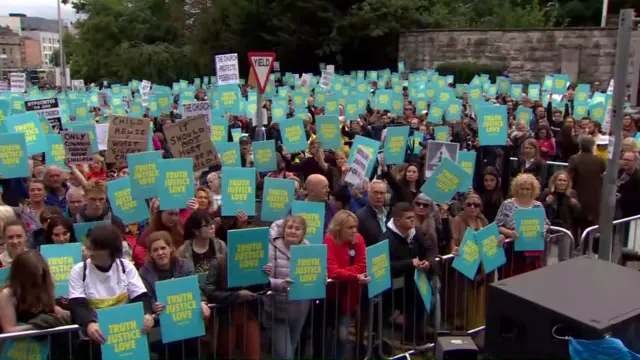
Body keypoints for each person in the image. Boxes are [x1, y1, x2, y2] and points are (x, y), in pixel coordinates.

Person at [68, 224, 154, 360]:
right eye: (88, 248)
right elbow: (77, 303)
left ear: (108, 251)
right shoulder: (79, 270)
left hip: (124, 337)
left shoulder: (126, 267)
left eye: (93, 249)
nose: (88, 253)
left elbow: (141, 296)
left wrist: (147, 314)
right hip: (94, 340)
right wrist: (89, 323)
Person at [139, 231, 209, 360]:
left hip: (186, 323)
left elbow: (195, 288)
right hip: (161, 328)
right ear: (150, 254)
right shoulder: (144, 272)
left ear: (171, 248)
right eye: (155, 250)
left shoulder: (185, 265)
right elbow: (145, 298)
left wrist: (202, 302)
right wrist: (154, 306)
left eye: (163, 248)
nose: (160, 253)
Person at [385, 202, 436, 344]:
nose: (413, 220)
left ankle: (415, 337)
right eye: (408, 218)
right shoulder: (387, 239)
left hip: (415, 281)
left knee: (420, 305)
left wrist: (428, 261)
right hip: (393, 286)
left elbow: (429, 248)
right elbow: (385, 265)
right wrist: (409, 263)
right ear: (397, 221)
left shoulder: (416, 232)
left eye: (413, 217)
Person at [262, 215, 311, 360]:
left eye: (297, 229)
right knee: (285, 356)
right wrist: (279, 283)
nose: (293, 231)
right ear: (283, 230)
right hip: (277, 309)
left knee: (292, 348)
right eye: (289, 227)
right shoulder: (271, 247)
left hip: (300, 309)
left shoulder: (308, 248)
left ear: (303, 233)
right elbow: (263, 278)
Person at [324, 210, 369, 359]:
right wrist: (354, 275)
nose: (354, 231)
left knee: (343, 335)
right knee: (328, 334)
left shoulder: (359, 240)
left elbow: (363, 265)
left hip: (349, 296)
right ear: (339, 228)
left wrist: (345, 273)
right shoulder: (329, 240)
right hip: (330, 296)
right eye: (350, 228)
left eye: (355, 227)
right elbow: (332, 271)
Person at [496, 174, 550, 277]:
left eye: (528, 189)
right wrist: (509, 233)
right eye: (522, 189)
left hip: (533, 251)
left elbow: (546, 223)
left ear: (533, 190)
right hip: (511, 251)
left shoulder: (538, 206)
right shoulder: (507, 204)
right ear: (516, 189)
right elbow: (497, 225)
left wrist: (544, 229)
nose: (525, 192)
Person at [568, 136, 606, 240]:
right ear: (592, 146)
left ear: (580, 146)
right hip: (595, 198)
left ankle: (576, 245)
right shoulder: (600, 160)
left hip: (578, 196)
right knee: (589, 226)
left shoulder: (574, 159)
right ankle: (586, 248)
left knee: (576, 224)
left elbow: (569, 178)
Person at [540, 170, 580, 262]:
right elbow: (538, 209)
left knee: (564, 257)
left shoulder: (572, 194)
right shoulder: (547, 192)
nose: (562, 183)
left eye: (564, 180)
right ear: (555, 181)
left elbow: (578, 213)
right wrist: (547, 203)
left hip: (565, 228)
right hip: (548, 227)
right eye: (560, 180)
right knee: (544, 257)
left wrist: (575, 205)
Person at [177, 211, 226, 277]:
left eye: (212, 224)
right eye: (207, 225)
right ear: (196, 231)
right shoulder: (183, 251)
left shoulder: (221, 245)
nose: (212, 227)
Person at [356, 180, 388, 247]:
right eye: (375, 192)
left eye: (382, 193)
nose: (379, 196)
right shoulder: (360, 217)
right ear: (369, 193)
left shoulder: (389, 215)